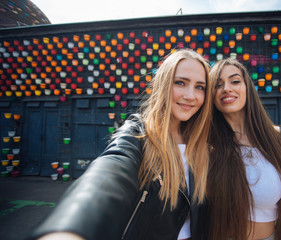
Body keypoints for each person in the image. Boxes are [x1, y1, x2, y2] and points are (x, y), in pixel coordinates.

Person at [29, 49, 212, 240]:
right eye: (180, 83)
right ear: (164, 84)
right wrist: (71, 228)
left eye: (200, 87)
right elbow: (111, 170)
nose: (191, 95)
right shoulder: (139, 133)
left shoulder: (204, 143)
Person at [207, 58, 281, 240]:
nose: (227, 88)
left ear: (247, 88)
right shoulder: (208, 146)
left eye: (235, 81)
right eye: (218, 85)